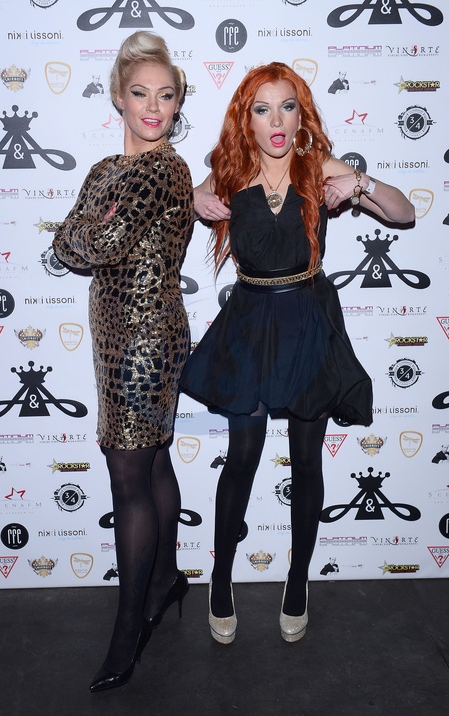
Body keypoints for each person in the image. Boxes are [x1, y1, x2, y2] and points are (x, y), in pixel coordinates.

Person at [182, 62, 414, 644]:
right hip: (249, 323)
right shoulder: (230, 169)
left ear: (301, 113)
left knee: (308, 460)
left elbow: (405, 212)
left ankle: (297, 579)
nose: (276, 120)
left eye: (287, 106)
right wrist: (194, 199)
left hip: (309, 321)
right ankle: (220, 577)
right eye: (262, 109)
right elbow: (189, 203)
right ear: (247, 120)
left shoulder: (318, 166)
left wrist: (358, 185)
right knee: (243, 454)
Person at [53, 31, 193, 691]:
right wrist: (84, 230)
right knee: (151, 462)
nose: (153, 107)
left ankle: (127, 631)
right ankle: (164, 580)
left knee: (128, 478)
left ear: (177, 103)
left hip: (147, 342)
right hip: (112, 337)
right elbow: (65, 245)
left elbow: (98, 243)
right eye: (141, 93)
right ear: (118, 96)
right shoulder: (103, 170)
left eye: (166, 95)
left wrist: (85, 229)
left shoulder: (165, 170)